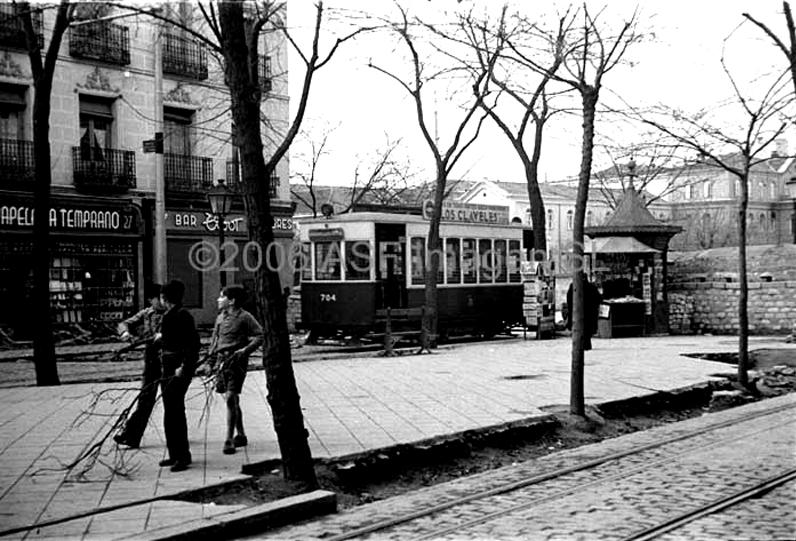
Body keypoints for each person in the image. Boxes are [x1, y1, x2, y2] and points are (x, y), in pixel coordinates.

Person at [206, 285, 263, 455]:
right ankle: (241, 434)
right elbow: (214, 341)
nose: (218, 299)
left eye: (222, 296)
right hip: (222, 363)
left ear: (231, 301)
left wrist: (245, 350)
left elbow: (260, 335)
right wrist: (210, 362)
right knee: (232, 400)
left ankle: (229, 439)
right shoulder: (220, 318)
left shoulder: (245, 317)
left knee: (231, 397)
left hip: (237, 362)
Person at [155, 279, 200, 472]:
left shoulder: (183, 316)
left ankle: (182, 456)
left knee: (175, 412)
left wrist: (185, 366)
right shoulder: (169, 315)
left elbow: (193, 344)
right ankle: (174, 454)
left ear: (166, 298)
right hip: (167, 368)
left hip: (177, 368)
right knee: (169, 411)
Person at [113, 282, 165, 449]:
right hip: (151, 360)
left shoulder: (171, 313)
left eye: (162, 298)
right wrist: (125, 333)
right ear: (151, 300)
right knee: (145, 399)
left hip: (169, 360)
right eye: (158, 298)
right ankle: (132, 436)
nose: (161, 302)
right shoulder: (146, 314)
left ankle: (179, 437)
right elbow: (123, 324)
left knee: (173, 402)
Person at [565, 276, 602, 350]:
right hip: (589, 312)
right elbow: (599, 299)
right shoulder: (591, 287)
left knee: (579, 329)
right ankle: (587, 345)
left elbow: (568, 299)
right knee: (587, 331)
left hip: (577, 311)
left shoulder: (573, 286)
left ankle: (579, 345)